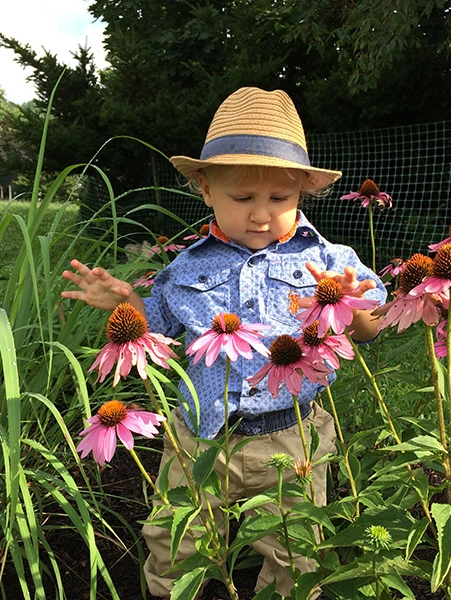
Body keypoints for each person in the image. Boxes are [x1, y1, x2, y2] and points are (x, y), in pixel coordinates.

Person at [62, 87, 387, 598]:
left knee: (297, 553)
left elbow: (367, 327)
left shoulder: (332, 261)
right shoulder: (186, 267)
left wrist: (352, 305)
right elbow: (159, 329)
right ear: (206, 190)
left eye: (279, 199)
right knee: (176, 542)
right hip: (198, 437)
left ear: (302, 190)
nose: (261, 214)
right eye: (242, 198)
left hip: (292, 438)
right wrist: (127, 305)